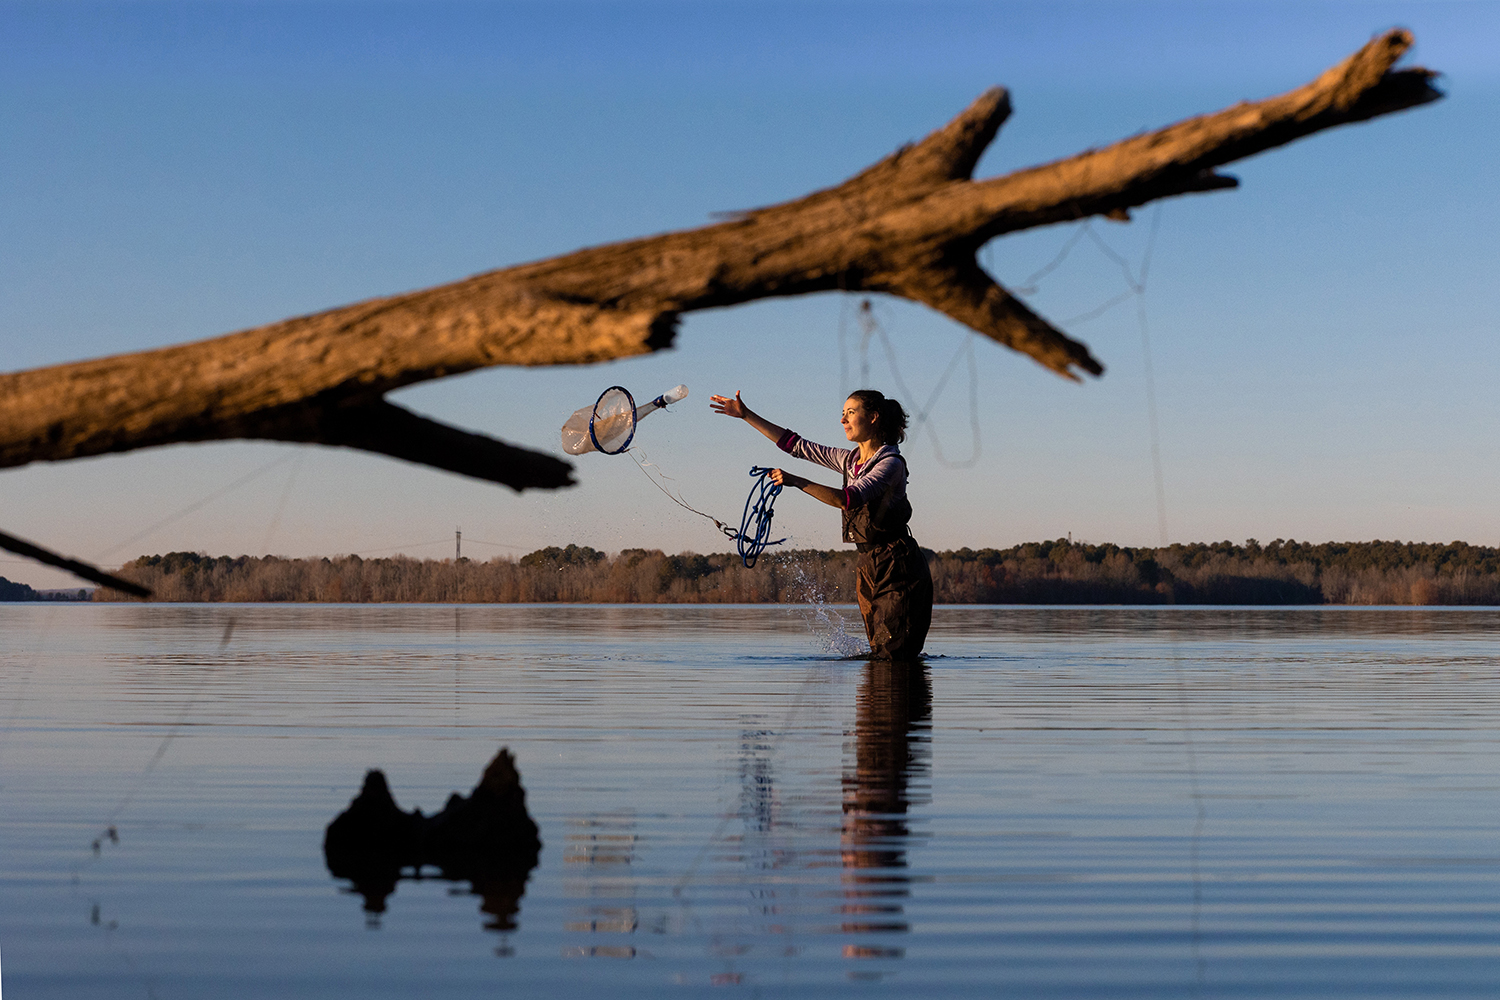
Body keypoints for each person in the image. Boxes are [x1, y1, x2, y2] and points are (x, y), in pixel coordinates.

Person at [710, 388, 933, 660]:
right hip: (868, 562)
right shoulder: (849, 460)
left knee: (894, 655)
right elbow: (796, 446)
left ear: (873, 418)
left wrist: (796, 481)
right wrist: (746, 415)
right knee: (879, 652)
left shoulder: (890, 464)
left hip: (898, 564)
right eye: (842, 414)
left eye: (851, 413)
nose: (843, 420)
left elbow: (848, 499)